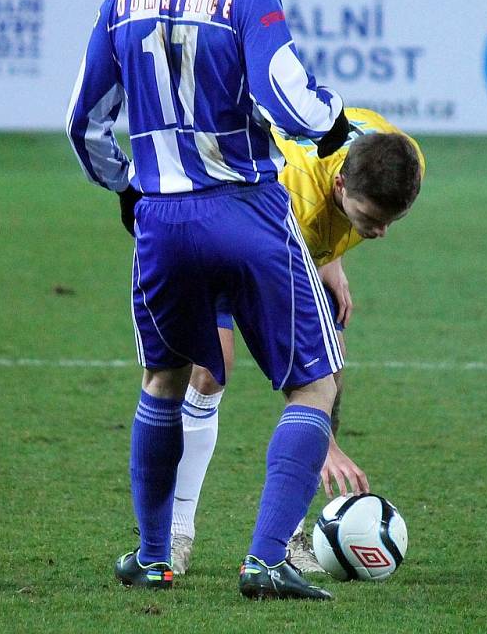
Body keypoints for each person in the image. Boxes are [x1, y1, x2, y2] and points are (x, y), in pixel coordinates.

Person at [66, 0, 355, 601]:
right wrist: (336, 131)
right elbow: (286, 97)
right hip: (247, 211)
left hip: (161, 219)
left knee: (164, 380)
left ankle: (156, 555)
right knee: (314, 386)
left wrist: (128, 187)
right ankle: (264, 560)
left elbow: (84, 122)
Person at [171, 108, 425, 574]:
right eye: (371, 219)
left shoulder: (401, 159)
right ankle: (176, 531)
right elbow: (295, 364)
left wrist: (334, 255)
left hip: (296, 235)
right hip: (218, 224)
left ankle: (288, 536)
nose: (383, 232)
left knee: (331, 366)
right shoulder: (298, 206)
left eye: (394, 220)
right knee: (210, 371)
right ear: (340, 188)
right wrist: (323, 438)